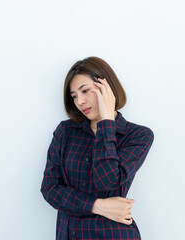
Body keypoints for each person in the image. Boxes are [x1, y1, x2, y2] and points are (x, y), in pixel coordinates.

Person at [40, 56, 154, 240]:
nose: (80, 101)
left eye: (85, 91)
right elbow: (49, 189)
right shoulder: (65, 132)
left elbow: (106, 181)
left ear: (107, 89)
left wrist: (106, 122)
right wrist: (96, 206)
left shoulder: (138, 136)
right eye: (74, 96)